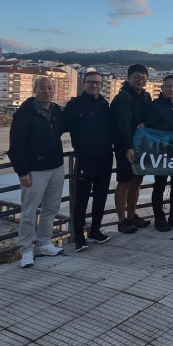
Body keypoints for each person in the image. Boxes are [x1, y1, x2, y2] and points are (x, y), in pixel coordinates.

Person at [7, 77, 65, 268]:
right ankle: (26, 250)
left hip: (56, 167)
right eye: (43, 88)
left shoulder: (56, 111)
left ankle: (45, 243)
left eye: (50, 88)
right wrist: (22, 171)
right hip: (34, 171)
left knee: (50, 209)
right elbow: (15, 146)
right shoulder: (24, 114)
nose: (47, 91)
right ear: (35, 89)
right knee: (29, 211)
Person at [61, 72, 113, 251]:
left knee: (101, 195)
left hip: (105, 157)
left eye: (98, 83)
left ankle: (95, 231)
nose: (95, 86)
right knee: (81, 198)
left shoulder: (104, 104)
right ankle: (78, 236)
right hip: (84, 158)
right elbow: (60, 128)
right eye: (91, 82)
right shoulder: (74, 105)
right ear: (84, 83)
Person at [110, 64, 152, 234]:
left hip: (140, 146)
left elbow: (150, 116)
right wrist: (127, 147)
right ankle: (121, 220)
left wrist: (146, 122)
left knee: (137, 181)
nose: (140, 81)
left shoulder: (146, 96)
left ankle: (132, 215)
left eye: (143, 78)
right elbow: (122, 125)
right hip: (124, 147)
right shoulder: (123, 97)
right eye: (137, 77)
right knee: (124, 182)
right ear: (128, 78)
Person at [145, 75, 173, 231]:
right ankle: (159, 217)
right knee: (159, 185)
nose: (171, 89)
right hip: (160, 151)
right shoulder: (154, 106)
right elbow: (151, 125)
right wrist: (172, 127)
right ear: (162, 88)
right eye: (168, 86)